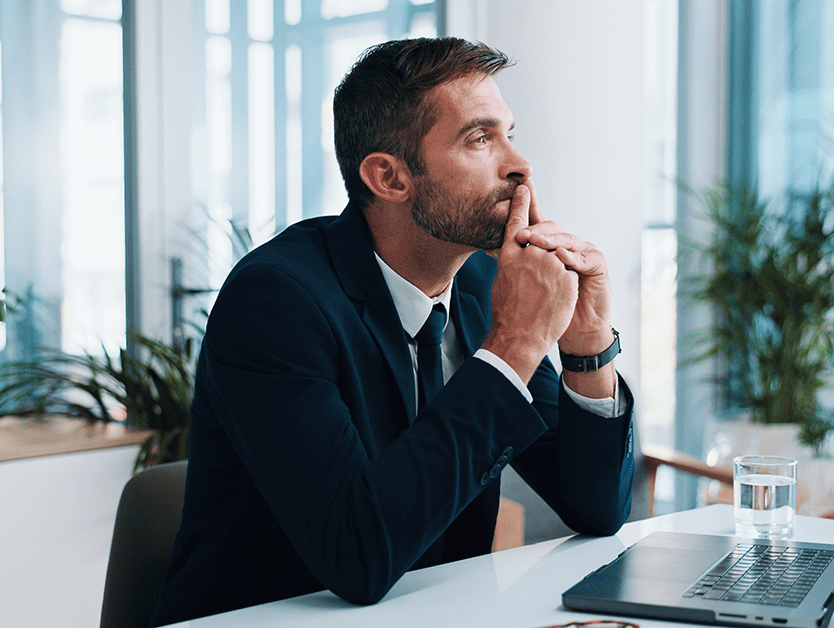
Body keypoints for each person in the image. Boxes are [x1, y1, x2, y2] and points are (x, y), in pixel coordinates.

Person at [149, 37, 635, 626]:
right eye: (480, 139)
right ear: (389, 177)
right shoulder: (276, 301)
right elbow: (357, 556)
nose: (519, 164)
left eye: (509, 132)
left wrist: (587, 347)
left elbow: (595, 506)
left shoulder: (484, 283)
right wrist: (515, 346)